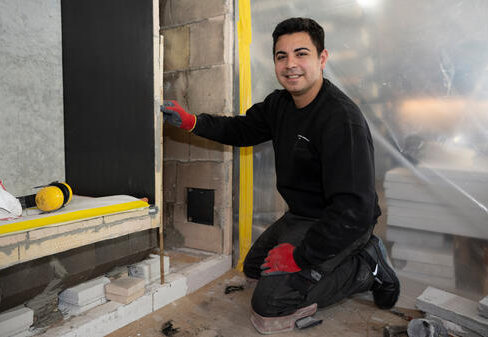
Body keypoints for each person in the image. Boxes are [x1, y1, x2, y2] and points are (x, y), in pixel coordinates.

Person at [161, 17, 400, 334]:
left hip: (343, 223)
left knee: (270, 306)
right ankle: (330, 262)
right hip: (302, 215)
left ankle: (366, 267)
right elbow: (241, 129)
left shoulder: (340, 119)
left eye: (301, 54)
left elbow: (353, 209)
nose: (291, 65)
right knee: (254, 270)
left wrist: (301, 256)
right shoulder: (280, 104)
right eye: (281, 56)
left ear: (322, 59)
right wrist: (192, 121)